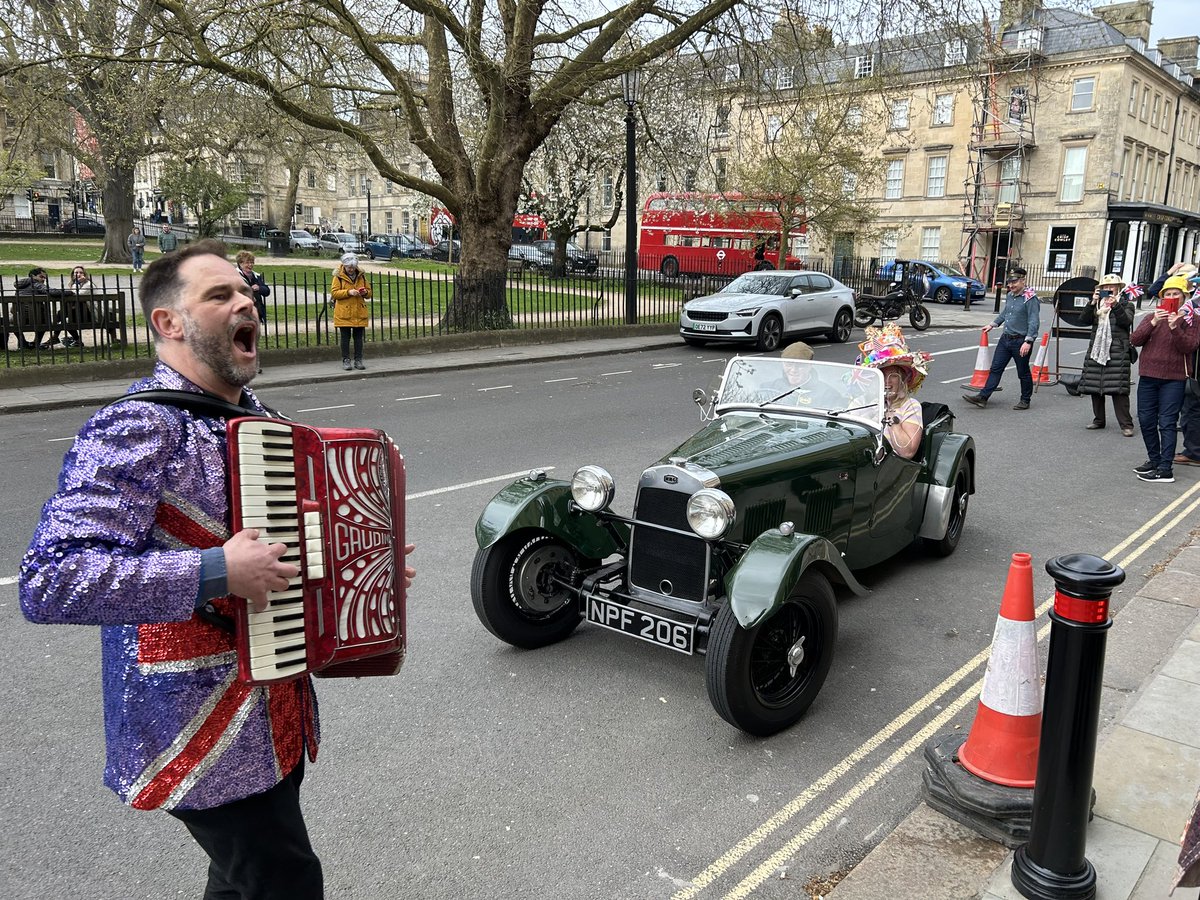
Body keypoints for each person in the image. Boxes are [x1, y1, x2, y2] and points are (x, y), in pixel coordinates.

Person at [19, 239, 417, 899]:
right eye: (219, 294)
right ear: (168, 323)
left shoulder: (260, 423)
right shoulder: (136, 428)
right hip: (195, 725)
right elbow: (51, 579)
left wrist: (360, 569)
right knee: (285, 881)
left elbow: (288, 548)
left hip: (277, 711)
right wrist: (214, 572)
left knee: (236, 883)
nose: (246, 301)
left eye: (246, 290)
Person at [1130, 274, 1200, 483]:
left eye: (1176, 294)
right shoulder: (1152, 317)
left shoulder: (1192, 319)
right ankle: (1154, 460)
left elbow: (1189, 346)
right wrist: (1153, 322)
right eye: (1167, 294)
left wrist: (1174, 327)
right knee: (1146, 420)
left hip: (1174, 378)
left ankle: (1165, 469)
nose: (1171, 297)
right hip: (1149, 376)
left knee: (1167, 423)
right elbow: (1135, 339)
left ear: (1184, 297)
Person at [961, 265, 1040, 411]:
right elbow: (1005, 313)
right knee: (996, 368)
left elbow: (1033, 321)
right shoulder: (1010, 296)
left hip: (1020, 340)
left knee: (1022, 372)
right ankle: (983, 397)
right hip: (1006, 339)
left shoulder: (1030, 298)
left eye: (1014, 282)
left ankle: (1025, 400)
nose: (1011, 286)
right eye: (1009, 282)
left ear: (1023, 281)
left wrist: (1028, 341)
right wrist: (993, 324)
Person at [856, 322, 932, 459]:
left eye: (893, 376)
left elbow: (907, 452)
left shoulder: (911, 406)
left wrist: (890, 415)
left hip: (889, 469)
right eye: (881, 375)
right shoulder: (863, 402)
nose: (887, 381)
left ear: (902, 380)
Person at [1077, 273, 1136, 436]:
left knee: (1119, 389)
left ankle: (1126, 424)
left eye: (1112, 287)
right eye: (1105, 288)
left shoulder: (1126, 304)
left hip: (1117, 350)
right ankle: (1099, 420)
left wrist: (1115, 305)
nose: (1108, 290)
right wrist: (1092, 302)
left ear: (1118, 289)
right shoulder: (1097, 305)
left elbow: (1126, 322)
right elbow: (1083, 320)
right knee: (1095, 386)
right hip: (1097, 349)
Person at [1175, 271, 1200, 468]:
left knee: (1192, 407)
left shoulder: (1195, 304)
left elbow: (1185, 319)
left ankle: (1194, 452)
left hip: (1197, 365)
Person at [331, 252, 371, 371]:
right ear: (344, 266)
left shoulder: (362, 276)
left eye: (353, 267)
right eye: (349, 267)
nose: (351, 270)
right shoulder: (338, 276)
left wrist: (365, 293)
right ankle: (346, 360)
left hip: (359, 311)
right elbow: (334, 293)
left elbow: (369, 292)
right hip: (344, 312)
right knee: (345, 337)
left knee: (358, 338)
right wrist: (348, 292)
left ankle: (358, 360)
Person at [236, 250, 270, 374]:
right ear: (240, 263)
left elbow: (266, 291)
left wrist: (259, 288)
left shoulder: (256, 276)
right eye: (247, 263)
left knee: (254, 339)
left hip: (256, 311)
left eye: (251, 262)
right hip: (242, 313)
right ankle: (242, 366)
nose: (250, 265)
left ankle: (254, 365)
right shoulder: (236, 276)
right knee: (241, 340)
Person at [14, 267, 65, 349]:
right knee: (44, 319)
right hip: (37, 319)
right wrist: (69, 292)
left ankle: (22, 342)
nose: (43, 279)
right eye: (41, 277)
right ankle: (36, 343)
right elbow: (51, 291)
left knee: (12, 321)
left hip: (19, 319)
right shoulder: (37, 284)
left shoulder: (20, 288)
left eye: (45, 277)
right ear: (32, 276)